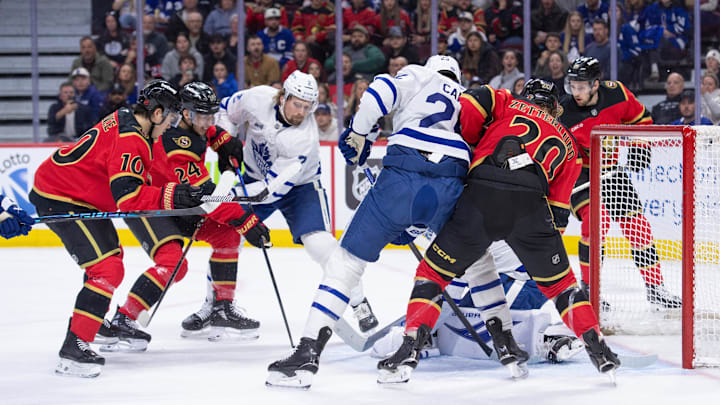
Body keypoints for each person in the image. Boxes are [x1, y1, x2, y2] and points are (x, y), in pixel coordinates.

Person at [378, 78, 619, 383]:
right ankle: (598, 348)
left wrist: (470, 141)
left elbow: (473, 100)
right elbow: (559, 215)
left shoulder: (506, 102)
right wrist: (540, 241)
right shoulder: (569, 145)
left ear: (527, 97)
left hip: (481, 195)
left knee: (434, 274)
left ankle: (411, 346)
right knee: (564, 288)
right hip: (531, 210)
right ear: (555, 107)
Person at [265, 56, 470, 389]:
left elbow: (379, 92)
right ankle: (421, 342)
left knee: (345, 266)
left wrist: (359, 134)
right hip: (453, 179)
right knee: (453, 265)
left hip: (404, 170)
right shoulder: (467, 96)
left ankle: (306, 354)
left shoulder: (419, 75)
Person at [29, 80, 191, 378]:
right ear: (156, 114)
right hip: (61, 196)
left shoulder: (132, 121)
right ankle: (74, 349)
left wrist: (182, 190)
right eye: (170, 117)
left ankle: (93, 322)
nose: (172, 125)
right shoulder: (132, 139)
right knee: (107, 269)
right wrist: (172, 196)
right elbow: (129, 200)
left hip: (79, 195)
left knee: (109, 261)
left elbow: (150, 170)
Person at [208, 70, 380, 347]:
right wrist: (226, 141)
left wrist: (226, 196)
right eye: (296, 104)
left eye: (307, 107)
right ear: (282, 96)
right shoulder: (256, 98)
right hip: (252, 177)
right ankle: (214, 304)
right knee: (228, 238)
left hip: (299, 189)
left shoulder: (304, 138)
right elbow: (226, 110)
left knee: (320, 246)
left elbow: (267, 192)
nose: (301, 112)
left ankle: (359, 302)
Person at [104, 82, 269, 351]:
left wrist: (221, 138)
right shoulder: (176, 146)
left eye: (211, 116)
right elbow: (208, 196)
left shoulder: (189, 125)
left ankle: (222, 308)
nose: (208, 122)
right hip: (151, 205)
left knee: (226, 236)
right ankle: (123, 319)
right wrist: (246, 220)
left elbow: (204, 133)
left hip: (181, 204)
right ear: (186, 114)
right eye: (202, 117)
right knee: (173, 264)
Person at [558, 56, 681, 309]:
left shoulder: (617, 94)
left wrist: (640, 145)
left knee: (639, 228)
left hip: (612, 171)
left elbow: (641, 118)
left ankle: (656, 289)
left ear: (595, 84)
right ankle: (590, 291)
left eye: (582, 86)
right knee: (595, 222)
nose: (576, 92)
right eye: (573, 85)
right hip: (579, 172)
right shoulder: (564, 112)